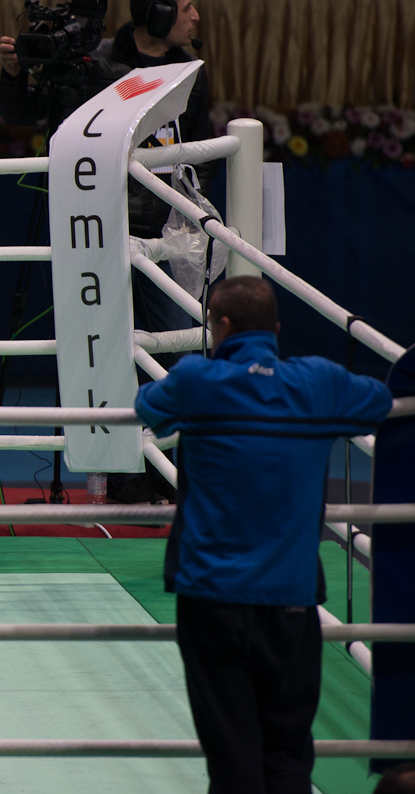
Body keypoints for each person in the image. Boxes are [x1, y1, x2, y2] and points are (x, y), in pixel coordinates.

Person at [135, 277, 393, 794]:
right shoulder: (318, 382)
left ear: (221, 326)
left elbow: (148, 407)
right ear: (275, 329)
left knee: (233, 759)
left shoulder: (197, 379)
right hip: (290, 604)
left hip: (212, 599)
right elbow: (380, 401)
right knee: (288, 755)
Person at [0, 0, 210, 503]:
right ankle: (119, 476)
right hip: (98, 228)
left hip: (165, 236)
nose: (195, 17)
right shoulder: (96, 64)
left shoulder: (191, 73)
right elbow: (27, 117)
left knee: (175, 351)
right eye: (185, 7)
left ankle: (168, 472)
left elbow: (201, 150)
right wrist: (14, 74)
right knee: (107, 350)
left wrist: (188, 213)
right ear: (156, 10)